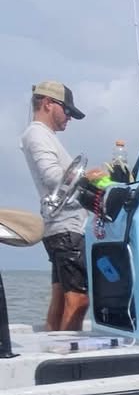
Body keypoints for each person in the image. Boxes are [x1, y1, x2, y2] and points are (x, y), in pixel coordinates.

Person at [20, 80, 93, 332]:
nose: (69, 117)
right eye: (67, 110)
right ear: (48, 103)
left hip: (59, 229)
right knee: (79, 300)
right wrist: (91, 177)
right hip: (67, 229)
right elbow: (52, 177)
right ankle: (66, 352)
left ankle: (51, 347)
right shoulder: (37, 134)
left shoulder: (43, 135)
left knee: (61, 299)